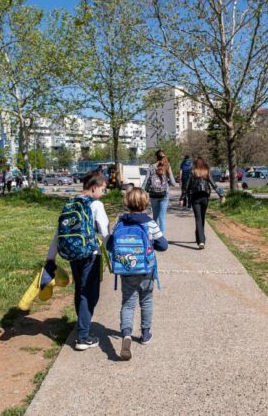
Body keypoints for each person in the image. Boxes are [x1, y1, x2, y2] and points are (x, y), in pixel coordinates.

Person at [45, 171, 109, 351]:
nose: (103, 194)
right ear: (95, 188)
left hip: (73, 252)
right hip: (90, 253)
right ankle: (83, 336)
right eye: (103, 190)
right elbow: (104, 231)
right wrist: (113, 249)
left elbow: (59, 233)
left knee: (80, 288)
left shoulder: (71, 203)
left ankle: (82, 326)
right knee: (90, 293)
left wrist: (50, 257)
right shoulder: (95, 204)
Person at [107, 187, 168, 361]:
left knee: (128, 304)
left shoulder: (120, 223)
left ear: (126, 203)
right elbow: (163, 245)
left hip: (126, 271)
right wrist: (150, 245)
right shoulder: (149, 223)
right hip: (146, 270)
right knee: (146, 301)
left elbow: (110, 246)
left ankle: (126, 335)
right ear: (145, 203)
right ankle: (145, 334)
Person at [182, 157, 225, 250]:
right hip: (205, 197)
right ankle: (201, 238)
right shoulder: (206, 172)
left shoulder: (192, 172)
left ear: (195, 164)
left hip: (195, 197)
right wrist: (221, 195)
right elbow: (214, 184)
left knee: (198, 219)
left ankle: (201, 240)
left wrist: (183, 197)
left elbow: (187, 186)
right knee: (202, 217)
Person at [143, 150, 176, 233]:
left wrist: (143, 190)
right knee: (162, 217)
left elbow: (147, 180)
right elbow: (173, 182)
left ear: (156, 157)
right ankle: (160, 238)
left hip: (153, 194)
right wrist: (168, 181)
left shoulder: (151, 167)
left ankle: (154, 235)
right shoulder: (167, 166)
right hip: (164, 194)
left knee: (155, 216)